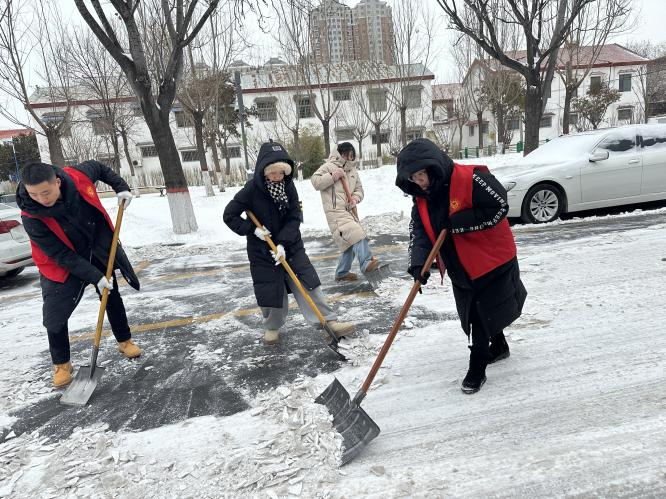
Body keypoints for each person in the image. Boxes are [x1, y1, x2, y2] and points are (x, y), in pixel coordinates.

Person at [395, 138, 527, 394]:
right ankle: (499, 346)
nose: (419, 183)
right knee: (474, 312)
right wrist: (418, 264)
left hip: (489, 259)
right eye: (413, 179)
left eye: (421, 175)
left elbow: (499, 206)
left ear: (432, 168)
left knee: (479, 315)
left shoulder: (470, 178)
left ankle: (477, 367)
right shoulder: (421, 197)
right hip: (459, 264)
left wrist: (459, 223)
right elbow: (419, 230)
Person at [16, 161, 141, 388]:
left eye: (46, 192)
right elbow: (60, 254)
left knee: (111, 295)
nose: (41, 199)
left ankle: (124, 340)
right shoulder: (30, 216)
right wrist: (94, 276)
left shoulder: (77, 176)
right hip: (61, 263)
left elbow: (100, 167)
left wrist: (121, 187)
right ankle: (62, 363)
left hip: (95, 247)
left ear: (57, 181)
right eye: (34, 194)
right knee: (54, 316)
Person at [223, 141, 355, 345]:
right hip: (262, 251)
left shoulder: (288, 187)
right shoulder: (250, 190)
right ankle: (272, 328)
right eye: (273, 173)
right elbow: (229, 215)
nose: (278, 177)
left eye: (281, 173)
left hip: (291, 245)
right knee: (270, 290)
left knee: (308, 283)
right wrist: (253, 230)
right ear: (264, 172)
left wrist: (283, 244)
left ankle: (329, 322)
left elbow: (295, 216)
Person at [311, 142, 382, 282]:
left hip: (348, 211)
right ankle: (366, 263)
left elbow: (359, 189)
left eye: (351, 155)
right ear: (339, 153)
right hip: (335, 212)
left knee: (348, 243)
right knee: (357, 233)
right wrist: (332, 176)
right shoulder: (328, 166)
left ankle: (342, 272)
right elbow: (315, 182)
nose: (349, 158)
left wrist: (355, 198)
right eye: (346, 154)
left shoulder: (353, 171)